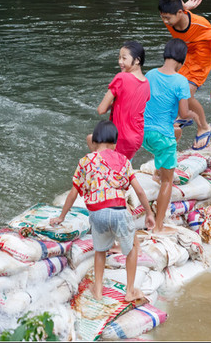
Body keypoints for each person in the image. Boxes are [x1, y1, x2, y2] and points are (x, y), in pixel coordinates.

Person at [51, 121, 155, 302]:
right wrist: (149, 213)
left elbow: (73, 194)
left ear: (95, 140)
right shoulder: (123, 160)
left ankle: (98, 290)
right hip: (119, 211)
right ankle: (130, 291)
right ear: (115, 142)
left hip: (96, 214)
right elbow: (138, 190)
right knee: (131, 249)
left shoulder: (85, 161)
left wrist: (61, 217)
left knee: (100, 251)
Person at [158, 0, 211, 150]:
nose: (165, 22)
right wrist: (183, 7)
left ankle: (204, 127)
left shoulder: (200, 24)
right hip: (187, 54)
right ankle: (184, 116)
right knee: (173, 88)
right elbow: (174, 12)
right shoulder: (172, 18)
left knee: (186, 93)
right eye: (163, 17)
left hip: (203, 56)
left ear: (179, 13)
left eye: (167, 18)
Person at [142, 39, 194, 234]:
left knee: (176, 132)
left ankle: (157, 171)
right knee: (168, 182)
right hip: (163, 136)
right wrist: (194, 115)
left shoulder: (150, 74)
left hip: (143, 133)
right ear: (181, 60)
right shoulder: (181, 80)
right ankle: (158, 225)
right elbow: (184, 111)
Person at [87, 41, 151, 160]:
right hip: (136, 139)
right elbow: (133, 103)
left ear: (137, 60)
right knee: (123, 164)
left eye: (124, 58)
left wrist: (111, 104)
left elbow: (101, 109)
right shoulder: (146, 83)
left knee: (91, 139)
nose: (120, 62)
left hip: (119, 137)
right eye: (119, 58)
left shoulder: (121, 77)